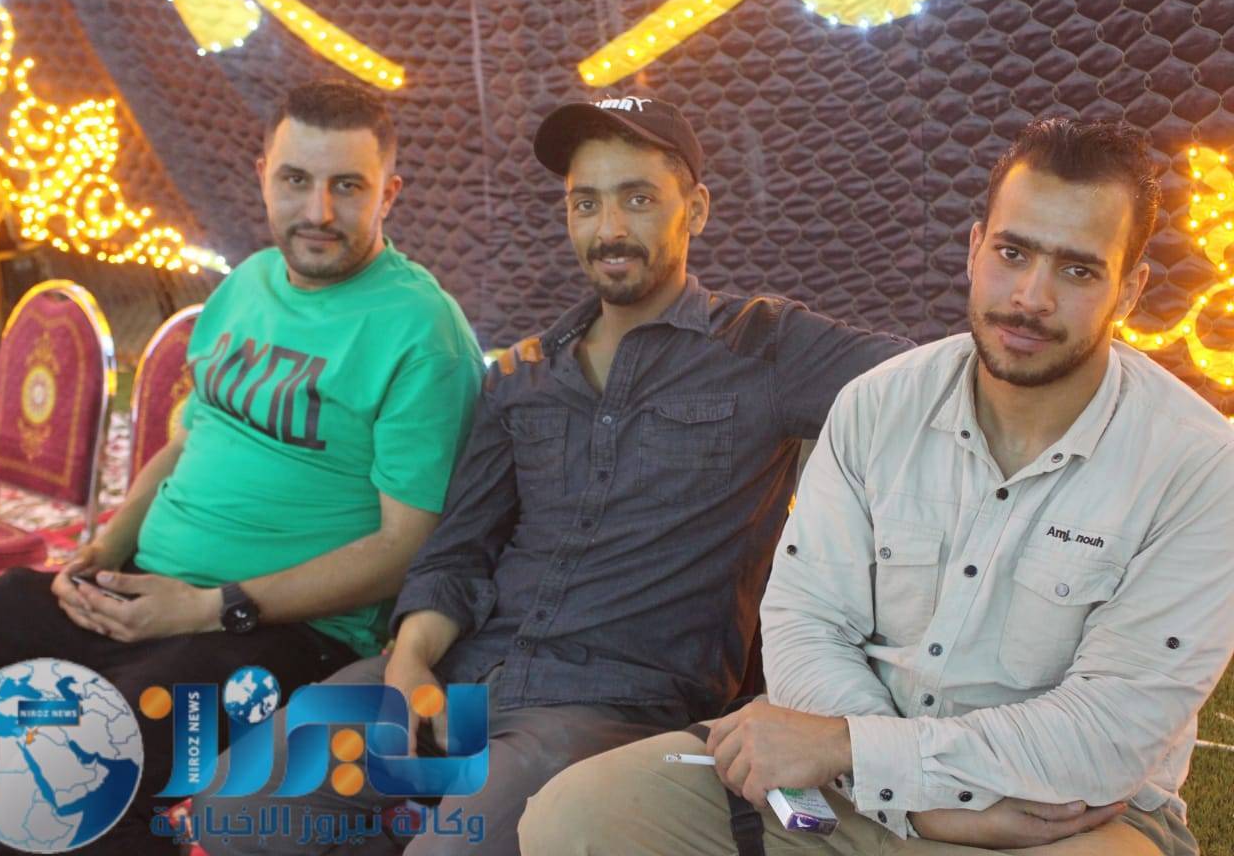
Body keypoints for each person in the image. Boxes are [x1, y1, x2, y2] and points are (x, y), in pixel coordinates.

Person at [195, 96, 911, 855]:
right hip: (465, 670)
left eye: (638, 199)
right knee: (230, 808)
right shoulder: (524, 376)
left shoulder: (762, 346)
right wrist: (408, 663)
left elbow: (934, 381)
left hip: (613, 708)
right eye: (586, 203)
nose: (609, 228)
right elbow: (458, 551)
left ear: (695, 210)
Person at [521, 118, 1234, 856]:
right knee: (573, 816)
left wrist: (862, 755)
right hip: (841, 782)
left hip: (1059, 817)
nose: (1031, 297)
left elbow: (1104, 737)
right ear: (974, 248)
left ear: (1129, 290)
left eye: (1078, 271)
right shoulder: (877, 404)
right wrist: (906, 802)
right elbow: (805, 622)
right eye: (1012, 253)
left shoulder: (1198, 465)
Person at [0, 79, 484, 854]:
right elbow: (188, 440)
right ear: (263, 176)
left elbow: (405, 549)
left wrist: (207, 607)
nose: (319, 210)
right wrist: (102, 549)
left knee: (68, 767)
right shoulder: (247, 284)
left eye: (347, 186)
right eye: (296, 179)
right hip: (140, 589)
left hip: (280, 635)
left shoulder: (421, 332)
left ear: (388, 194)